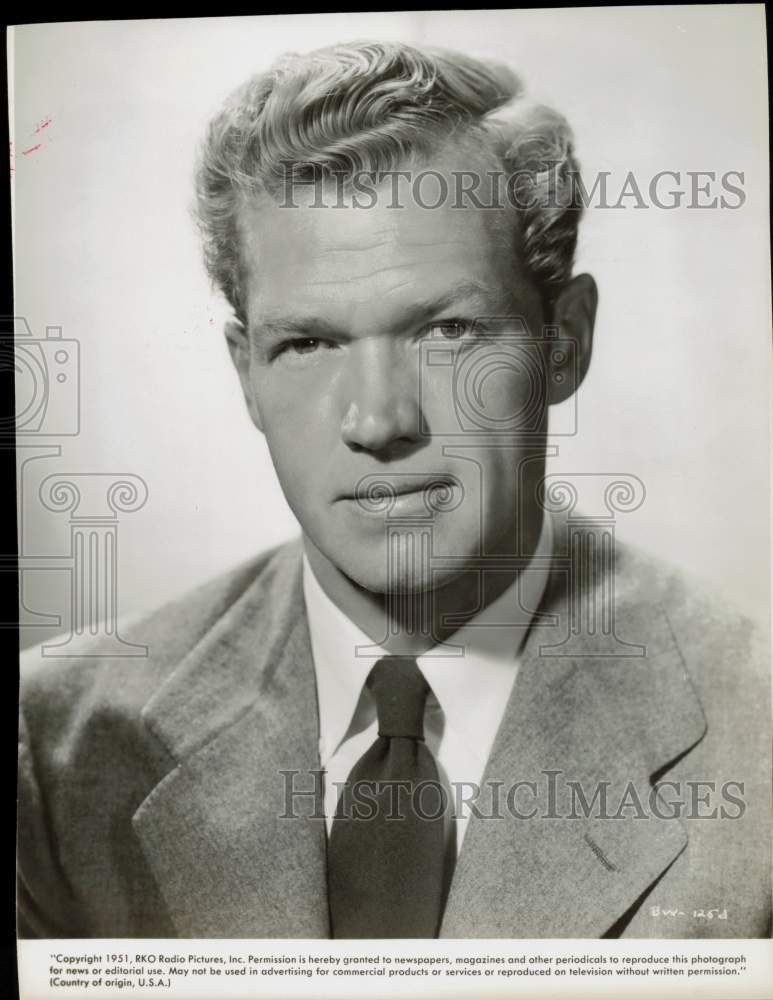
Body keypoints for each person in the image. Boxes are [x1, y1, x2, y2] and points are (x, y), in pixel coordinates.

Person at [17, 40, 770, 940]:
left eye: (446, 330)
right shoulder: (52, 751)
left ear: (562, 342)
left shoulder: (751, 729)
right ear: (246, 374)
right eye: (308, 344)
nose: (378, 422)